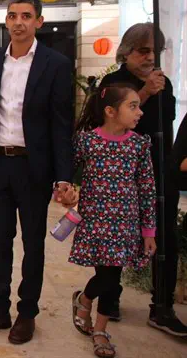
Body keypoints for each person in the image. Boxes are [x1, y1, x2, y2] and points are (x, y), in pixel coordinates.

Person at [0, 0, 76, 344]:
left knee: (33, 244)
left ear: (38, 22)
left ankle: (26, 312)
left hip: (35, 168)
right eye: (13, 15)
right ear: (6, 21)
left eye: (27, 16)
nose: (19, 22)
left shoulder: (56, 64)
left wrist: (63, 176)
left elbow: (62, 125)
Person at [99, 23, 186, 336]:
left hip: (160, 171)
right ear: (127, 51)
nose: (150, 57)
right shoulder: (113, 83)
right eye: (143, 50)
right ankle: (110, 297)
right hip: (122, 175)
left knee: (165, 238)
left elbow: (167, 125)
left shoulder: (165, 83)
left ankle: (162, 306)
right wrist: (146, 92)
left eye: (154, 51)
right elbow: (111, 126)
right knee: (117, 237)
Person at [69, 83, 157, 358]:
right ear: (110, 111)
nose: (139, 112)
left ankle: (99, 328)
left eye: (138, 106)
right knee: (106, 277)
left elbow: (147, 188)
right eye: (132, 106)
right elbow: (67, 170)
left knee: (113, 277)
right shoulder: (87, 141)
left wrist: (148, 231)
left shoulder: (138, 145)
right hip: (96, 223)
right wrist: (65, 189)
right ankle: (84, 299)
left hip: (126, 225)